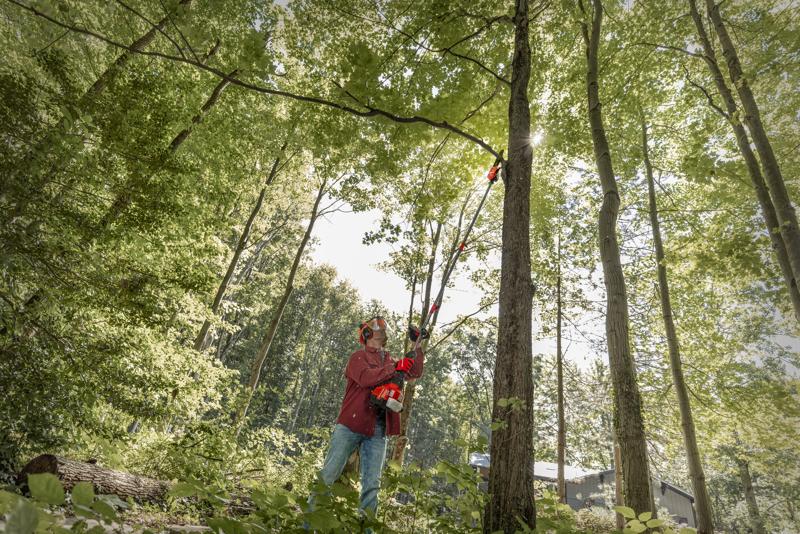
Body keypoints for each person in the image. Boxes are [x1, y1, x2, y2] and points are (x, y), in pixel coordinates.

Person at [307, 316, 427, 528]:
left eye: (382, 327)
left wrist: (416, 347)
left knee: (372, 484)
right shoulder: (358, 357)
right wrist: (395, 367)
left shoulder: (390, 361)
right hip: (350, 425)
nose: (380, 329)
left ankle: (366, 529)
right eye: (375, 327)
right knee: (329, 474)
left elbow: (414, 372)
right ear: (365, 334)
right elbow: (366, 378)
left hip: (378, 429)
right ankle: (308, 525)